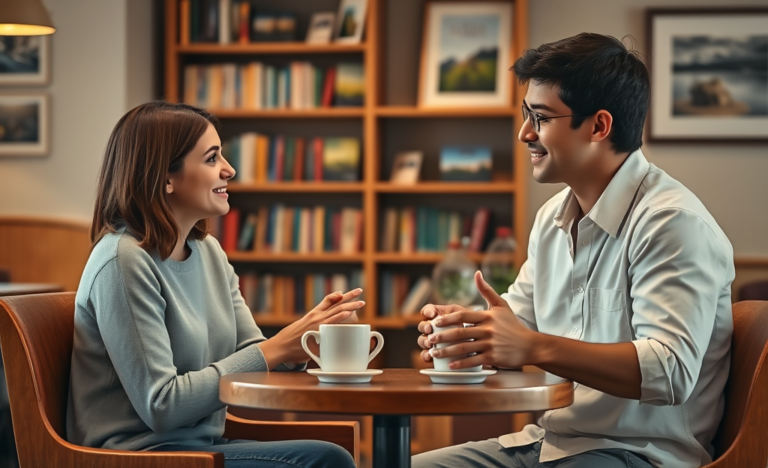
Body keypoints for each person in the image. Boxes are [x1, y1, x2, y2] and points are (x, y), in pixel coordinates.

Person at [414, 33, 734, 468]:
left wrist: (531, 347)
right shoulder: (550, 220)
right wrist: (461, 335)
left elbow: (669, 371)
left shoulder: (672, 223)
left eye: (541, 117)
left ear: (599, 126)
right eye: (527, 114)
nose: (525, 132)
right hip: (547, 444)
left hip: (638, 455)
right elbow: (514, 329)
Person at [66, 101, 360, 468]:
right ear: (165, 177)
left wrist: (301, 343)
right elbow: (161, 404)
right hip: (137, 457)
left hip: (201, 447)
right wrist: (275, 350)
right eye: (211, 158)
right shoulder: (122, 261)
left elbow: (252, 350)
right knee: (326, 459)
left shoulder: (209, 253)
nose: (229, 169)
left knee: (332, 453)